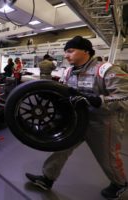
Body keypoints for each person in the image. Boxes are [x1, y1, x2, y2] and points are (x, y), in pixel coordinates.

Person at [25, 36, 128, 200]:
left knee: (108, 157)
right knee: (61, 148)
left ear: (86, 51)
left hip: (103, 122)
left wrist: (97, 100)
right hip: (77, 120)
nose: (66, 55)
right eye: (65, 51)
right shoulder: (68, 72)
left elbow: (125, 96)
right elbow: (65, 95)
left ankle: (119, 184)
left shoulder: (105, 70)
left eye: (70, 51)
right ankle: (47, 178)